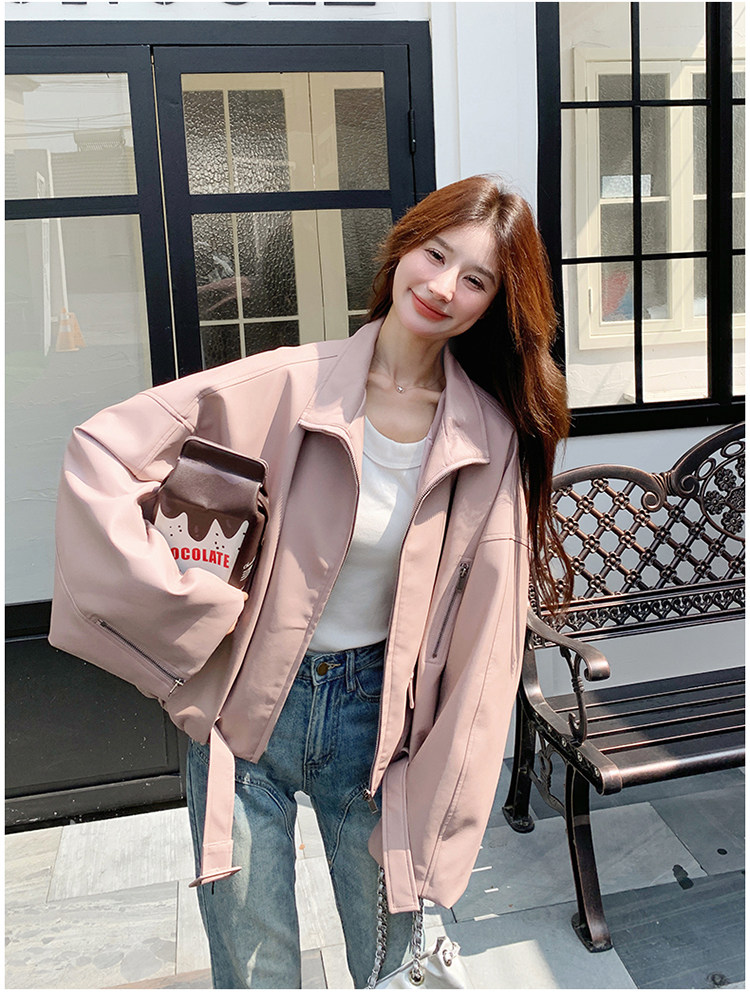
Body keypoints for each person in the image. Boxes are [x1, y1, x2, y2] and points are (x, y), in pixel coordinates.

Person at [49, 174, 571, 989]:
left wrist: (450, 802)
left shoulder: (488, 436)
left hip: (379, 726)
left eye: (476, 279)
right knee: (254, 969)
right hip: (248, 709)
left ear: (495, 306)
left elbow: (489, 642)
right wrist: (189, 613)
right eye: (437, 255)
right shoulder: (289, 382)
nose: (443, 287)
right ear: (404, 248)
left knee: (394, 965)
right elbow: (102, 453)